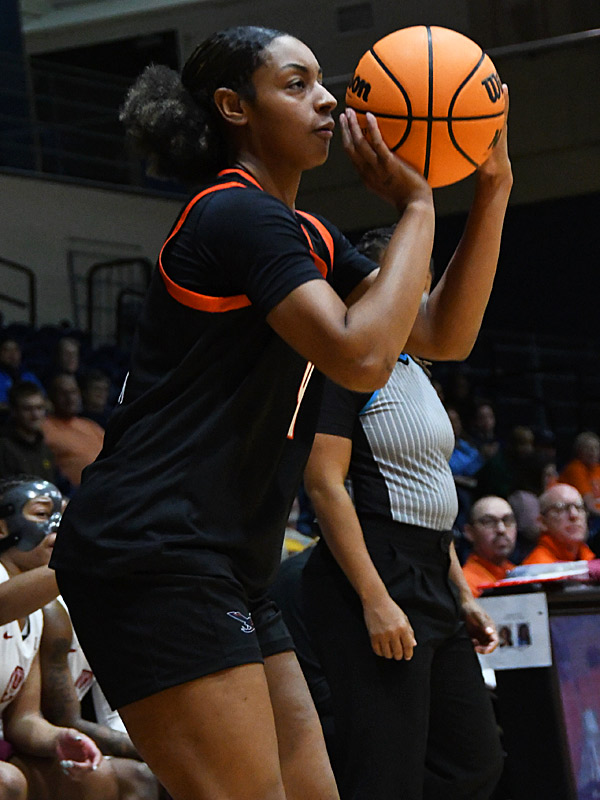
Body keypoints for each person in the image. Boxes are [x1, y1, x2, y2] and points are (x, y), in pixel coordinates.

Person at [49, 24, 445, 800]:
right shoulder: (235, 214)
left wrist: (491, 187)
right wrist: (421, 205)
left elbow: (435, 332)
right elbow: (360, 356)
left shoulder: (305, 233)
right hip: (154, 551)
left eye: (321, 81)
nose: (328, 99)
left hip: (223, 561)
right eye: (296, 84)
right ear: (234, 106)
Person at [301, 91, 512, 799]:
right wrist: (374, 597)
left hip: (429, 566)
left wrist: (460, 593)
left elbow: (429, 490)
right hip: (374, 569)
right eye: (417, 278)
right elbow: (326, 483)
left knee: (472, 761)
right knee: (386, 773)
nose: (425, 292)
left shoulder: (416, 366)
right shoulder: (344, 357)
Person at [0, 476, 119, 799]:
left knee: (97, 777)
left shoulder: (41, 610)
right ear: (1, 528)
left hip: (5, 745)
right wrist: (84, 557)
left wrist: (58, 738)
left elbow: (23, 718)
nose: (56, 525)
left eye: (62, 516)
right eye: (41, 514)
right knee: (7, 782)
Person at [42, 373, 104, 490]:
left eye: (73, 392)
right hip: (76, 496)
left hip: (108, 489)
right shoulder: (44, 427)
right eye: (63, 393)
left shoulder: (90, 425)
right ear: (51, 397)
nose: (70, 398)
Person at [522, 483, 596, 564]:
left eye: (579, 507)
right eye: (561, 508)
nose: (574, 515)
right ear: (542, 522)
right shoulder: (537, 568)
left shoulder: (588, 558)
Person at [0, 382, 56, 482]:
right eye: (27, 409)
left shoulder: (45, 449)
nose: (35, 415)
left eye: (39, 408)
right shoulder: (4, 448)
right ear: (14, 412)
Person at [462, 496, 517, 597]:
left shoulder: (518, 574)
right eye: (489, 522)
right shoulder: (465, 585)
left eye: (507, 520)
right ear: (470, 532)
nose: (501, 529)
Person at [559, 431, 600, 537]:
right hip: (580, 518)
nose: (593, 452)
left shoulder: (597, 469)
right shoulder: (575, 468)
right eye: (588, 448)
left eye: (596, 448)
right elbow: (589, 504)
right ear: (579, 452)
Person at [0, 338, 43, 409]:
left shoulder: (29, 376)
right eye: (6, 350)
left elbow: (43, 399)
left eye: (16, 350)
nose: (12, 354)